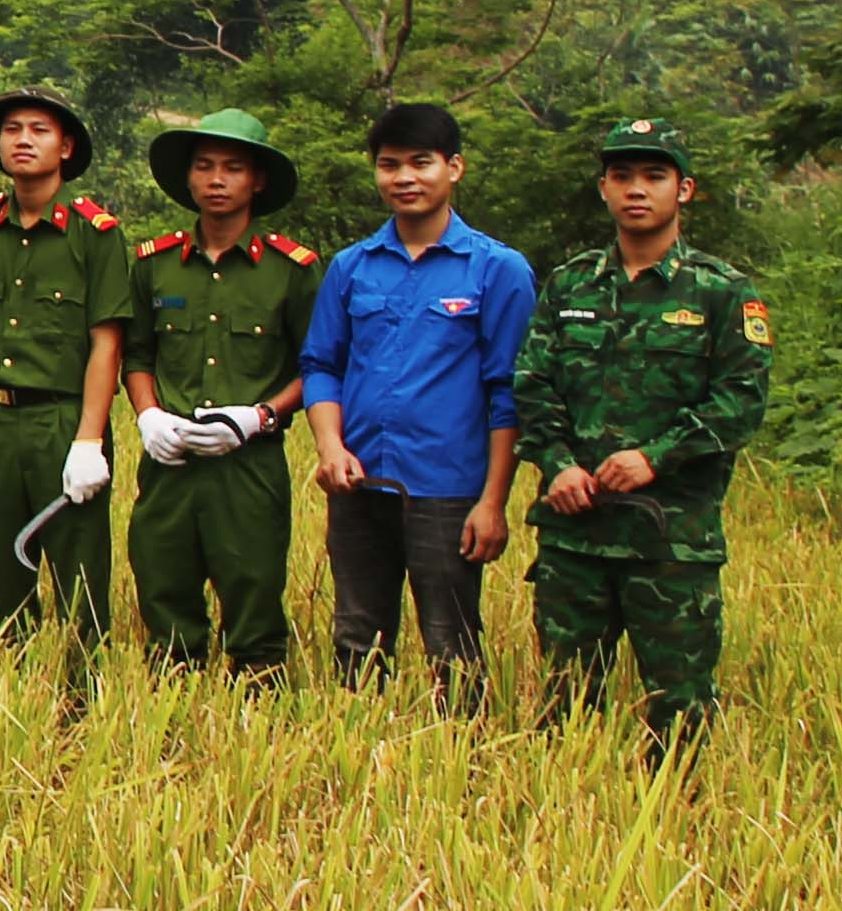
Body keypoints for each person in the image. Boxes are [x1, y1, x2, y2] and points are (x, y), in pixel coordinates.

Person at [514, 117, 766, 754]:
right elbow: (532, 384)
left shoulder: (722, 293)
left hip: (670, 541)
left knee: (681, 710)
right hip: (575, 534)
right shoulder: (570, 285)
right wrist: (559, 463)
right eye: (622, 176)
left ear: (684, 190)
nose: (636, 189)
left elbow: (741, 402)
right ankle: (567, 830)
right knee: (565, 710)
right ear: (603, 187)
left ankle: (679, 830)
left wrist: (656, 457)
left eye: (654, 176)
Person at [303, 99, 535, 704]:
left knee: (451, 641)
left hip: (448, 489)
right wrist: (330, 448)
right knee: (356, 634)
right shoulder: (352, 267)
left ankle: (461, 767)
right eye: (389, 164)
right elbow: (321, 366)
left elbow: (508, 392)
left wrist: (493, 502)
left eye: (421, 162)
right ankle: (353, 759)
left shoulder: (498, 270)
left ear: (454, 168)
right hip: (359, 484)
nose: (404, 178)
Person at [122, 110, 320, 677]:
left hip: (249, 463)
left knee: (253, 594)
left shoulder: (292, 270)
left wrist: (260, 417)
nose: (216, 179)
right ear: (187, 178)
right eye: (204, 166)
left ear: (256, 181)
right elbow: (137, 355)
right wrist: (149, 416)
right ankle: (172, 717)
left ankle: (256, 717)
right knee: (162, 588)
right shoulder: (154, 265)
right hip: (171, 460)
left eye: (233, 168)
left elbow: (319, 367)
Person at [0, 89, 132, 646]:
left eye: (39, 130)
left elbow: (107, 342)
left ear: (66, 147)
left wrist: (89, 440)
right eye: (13, 130)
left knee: (79, 580)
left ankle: (84, 699)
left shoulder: (94, 234)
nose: (23, 140)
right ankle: (3, 693)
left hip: (63, 421)